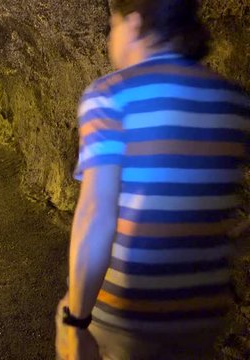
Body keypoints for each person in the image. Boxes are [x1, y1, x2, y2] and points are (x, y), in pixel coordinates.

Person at [55, 0, 250, 359]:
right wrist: (230, 242)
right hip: (203, 312)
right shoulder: (233, 99)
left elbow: (97, 213)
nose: (109, 39)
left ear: (132, 23)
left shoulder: (111, 95)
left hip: (128, 314)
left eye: (110, 27)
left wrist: (76, 319)